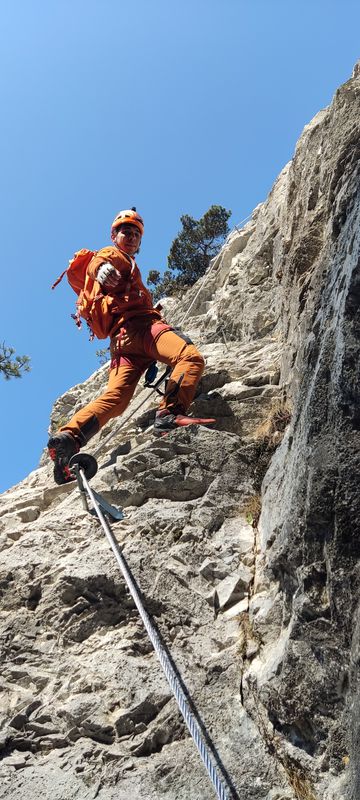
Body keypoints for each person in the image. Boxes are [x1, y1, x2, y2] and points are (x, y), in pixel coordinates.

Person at [48, 208, 211, 485]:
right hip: (143, 328)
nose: (132, 236)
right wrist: (101, 269)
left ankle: (69, 438)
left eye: (136, 233)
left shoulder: (126, 267)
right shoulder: (115, 256)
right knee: (190, 359)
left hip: (122, 343)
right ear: (114, 235)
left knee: (117, 398)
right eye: (126, 231)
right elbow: (100, 260)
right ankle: (170, 413)